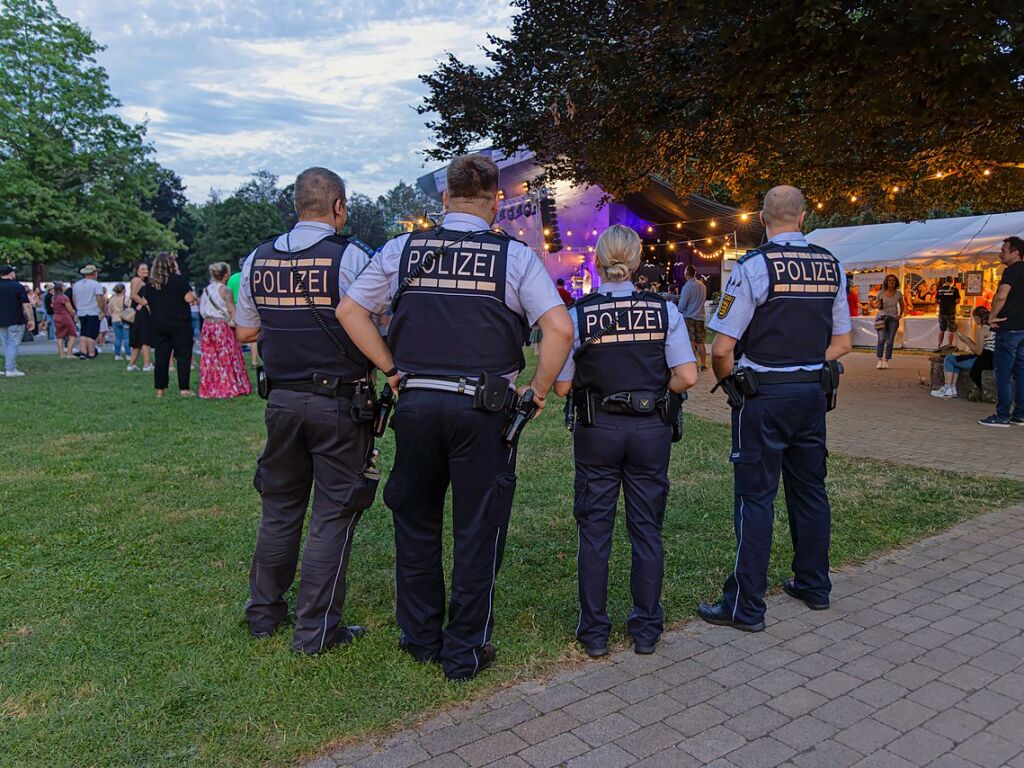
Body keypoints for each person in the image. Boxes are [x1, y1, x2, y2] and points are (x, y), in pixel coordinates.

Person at [338, 153, 574, 681]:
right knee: (478, 526)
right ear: (496, 202)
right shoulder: (513, 256)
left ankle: (420, 637)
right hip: (483, 409)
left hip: (417, 404)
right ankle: (465, 648)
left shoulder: (402, 250)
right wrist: (536, 393)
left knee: (415, 520)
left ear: (444, 200)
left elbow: (350, 310)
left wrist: (391, 369)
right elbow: (559, 330)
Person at [234, 167, 378, 655]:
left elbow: (245, 331)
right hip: (339, 401)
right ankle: (315, 632)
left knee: (279, 509)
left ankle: (263, 615)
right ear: (338, 206)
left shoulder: (256, 259)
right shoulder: (352, 256)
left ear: (297, 205)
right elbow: (377, 317)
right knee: (333, 513)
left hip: (280, 400)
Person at [698, 185, 852, 632]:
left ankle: (746, 606)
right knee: (810, 490)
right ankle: (814, 584)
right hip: (811, 394)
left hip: (764, 395)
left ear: (763, 218)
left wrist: (731, 383)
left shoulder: (752, 268)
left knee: (755, 497)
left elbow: (722, 348)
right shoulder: (832, 266)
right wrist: (806, 365)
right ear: (803, 216)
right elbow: (842, 342)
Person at [552, 225, 698, 658]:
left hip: (597, 430)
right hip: (650, 428)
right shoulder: (663, 310)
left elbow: (563, 387)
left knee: (595, 532)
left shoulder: (579, 314)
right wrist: (654, 395)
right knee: (647, 530)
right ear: (636, 262)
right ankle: (647, 628)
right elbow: (687, 376)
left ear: (599, 260)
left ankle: (595, 631)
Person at [980, 236, 1024, 427]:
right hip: (1023, 328)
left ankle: (1002, 415)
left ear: (1016, 253)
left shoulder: (1011, 271)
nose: (1000, 254)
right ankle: (1020, 414)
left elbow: (1001, 296)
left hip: (1009, 326)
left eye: (1004, 251)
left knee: (1003, 373)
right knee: (1021, 372)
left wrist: (991, 316)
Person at [142, 252, 195, 397]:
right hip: (180, 323)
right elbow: (189, 299)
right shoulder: (179, 280)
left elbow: (147, 302)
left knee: (161, 357)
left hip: (159, 323)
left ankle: (160, 389)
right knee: (183, 356)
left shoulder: (152, 284)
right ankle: (184, 388)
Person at [198, 263, 250, 399]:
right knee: (226, 356)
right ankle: (229, 386)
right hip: (222, 327)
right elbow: (232, 311)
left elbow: (202, 308)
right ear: (226, 275)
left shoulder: (206, 290)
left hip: (207, 326)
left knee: (210, 358)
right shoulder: (225, 291)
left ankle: (210, 388)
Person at [931, 307, 994, 399]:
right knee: (956, 361)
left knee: (949, 359)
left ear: (977, 318)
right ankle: (952, 389)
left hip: (985, 360)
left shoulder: (983, 330)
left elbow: (978, 351)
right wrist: (967, 339)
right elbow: (980, 347)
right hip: (991, 358)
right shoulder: (993, 327)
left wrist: (967, 341)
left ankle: (948, 388)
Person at [0, 264, 35, 377]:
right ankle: (11, 369)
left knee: (5, 344)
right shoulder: (17, 286)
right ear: (10, 273)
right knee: (13, 344)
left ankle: (7, 367)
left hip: (1, 320)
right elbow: (26, 305)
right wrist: (31, 320)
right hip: (16, 319)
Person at [229, 257, 260, 369]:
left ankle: (238, 361)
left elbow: (228, 294)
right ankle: (254, 361)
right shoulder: (253, 275)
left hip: (236, 306)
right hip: (251, 306)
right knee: (253, 335)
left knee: (237, 336)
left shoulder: (233, 278)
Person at [71, 265, 106, 359]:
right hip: (93, 311)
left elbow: (74, 298)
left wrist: (78, 308)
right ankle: (91, 352)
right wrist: (102, 310)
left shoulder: (77, 284)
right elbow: (99, 298)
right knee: (92, 333)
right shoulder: (96, 284)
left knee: (83, 332)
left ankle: (83, 351)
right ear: (94, 273)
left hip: (81, 310)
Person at [677, 265, 708, 371]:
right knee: (700, 341)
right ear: (694, 273)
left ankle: (693, 365)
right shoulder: (703, 286)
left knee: (690, 340)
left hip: (689, 317)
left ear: (686, 274)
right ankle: (703, 364)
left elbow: (681, 305)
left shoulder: (687, 286)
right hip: (700, 317)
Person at [127, 262, 153, 372]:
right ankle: (147, 364)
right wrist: (144, 303)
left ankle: (131, 365)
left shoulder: (144, 281)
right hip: (141, 313)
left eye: (146, 269)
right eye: (142, 269)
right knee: (145, 339)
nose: (145, 271)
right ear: (137, 270)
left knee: (138, 340)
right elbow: (133, 295)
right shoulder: (136, 280)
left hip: (141, 313)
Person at [874, 274, 903, 369]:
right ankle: (879, 360)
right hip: (881, 317)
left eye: (893, 280)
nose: (891, 282)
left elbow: (903, 305)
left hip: (893, 319)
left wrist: (900, 314)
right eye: (890, 280)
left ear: (896, 282)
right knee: (881, 339)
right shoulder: (880, 293)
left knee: (890, 341)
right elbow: (876, 305)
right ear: (886, 282)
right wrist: (877, 305)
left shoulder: (898, 293)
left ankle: (886, 360)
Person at [51, 283, 78, 358]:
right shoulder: (64, 297)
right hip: (65, 317)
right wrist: (74, 313)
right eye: (64, 286)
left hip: (56, 316)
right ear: (61, 288)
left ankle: (61, 354)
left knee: (59, 336)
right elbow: (70, 310)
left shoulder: (53, 297)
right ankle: (69, 353)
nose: (65, 287)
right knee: (72, 335)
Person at [936, 276, 961, 350]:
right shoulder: (954, 289)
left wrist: (942, 303)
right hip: (951, 312)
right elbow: (957, 300)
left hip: (942, 312)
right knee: (951, 330)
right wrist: (951, 302)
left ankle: (939, 345)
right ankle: (950, 345)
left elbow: (936, 300)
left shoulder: (940, 289)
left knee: (942, 330)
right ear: (952, 281)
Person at [107, 284, 129, 360]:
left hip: (115, 319)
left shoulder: (112, 299)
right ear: (123, 290)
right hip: (125, 319)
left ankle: (117, 354)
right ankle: (128, 354)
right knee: (126, 338)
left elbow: (109, 311)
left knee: (118, 338)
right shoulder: (126, 298)